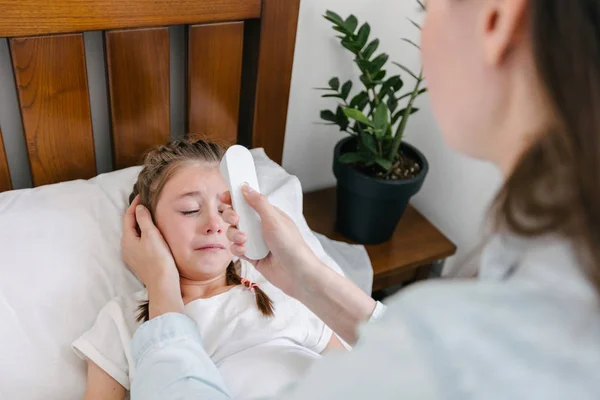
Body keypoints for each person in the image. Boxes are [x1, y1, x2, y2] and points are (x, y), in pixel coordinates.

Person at [121, 0, 600, 398]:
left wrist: (164, 288)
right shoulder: (544, 289)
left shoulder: (446, 344)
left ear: (496, 19)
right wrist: (309, 279)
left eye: (428, 6)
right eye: (188, 208)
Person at [73, 139, 344, 400]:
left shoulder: (281, 289)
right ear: (145, 227)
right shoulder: (124, 319)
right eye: (190, 210)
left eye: (227, 209)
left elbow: (354, 370)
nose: (214, 224)